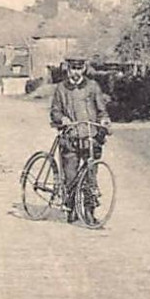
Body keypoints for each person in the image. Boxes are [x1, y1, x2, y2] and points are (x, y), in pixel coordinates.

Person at [49, 57, 109, 223]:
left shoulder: (92, 87)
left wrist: (104, 120)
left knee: (90, 174)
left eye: (79, 68)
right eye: (73, 68)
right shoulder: (61, 88)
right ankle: (72, 208)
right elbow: (55, 110)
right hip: (71, 137)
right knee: (70, 174)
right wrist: (62, 119)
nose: (76, 72)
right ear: (68, 69)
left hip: (90, 137)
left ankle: (89, 212)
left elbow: (102, 110)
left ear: (84, 69)